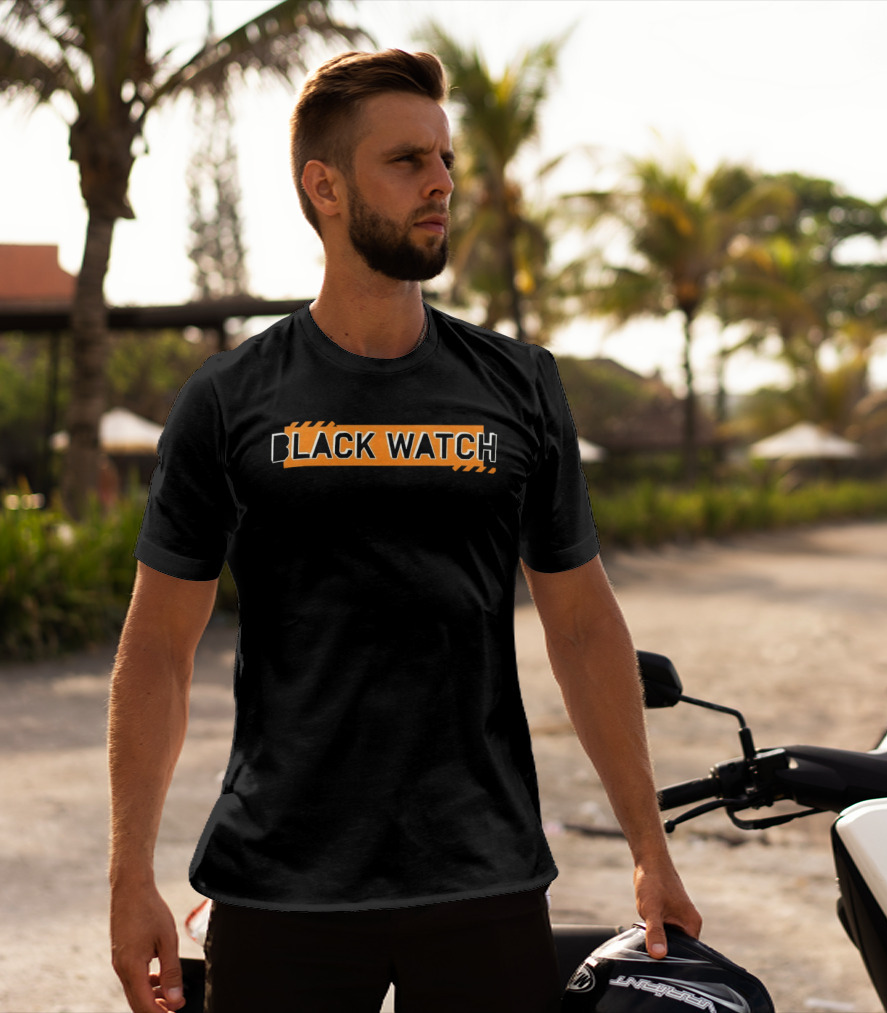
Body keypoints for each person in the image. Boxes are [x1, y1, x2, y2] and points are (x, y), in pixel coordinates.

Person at [108, 48, 701, 1013]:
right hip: (280, 880)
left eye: (446, 157)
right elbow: (156, 653)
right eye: (408, 161)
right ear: (325, 187)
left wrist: (650, 847)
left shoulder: (519, 384)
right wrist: (129, 874)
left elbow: (585, 628)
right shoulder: (228, 401)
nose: (442, 183)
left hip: (484, 876)